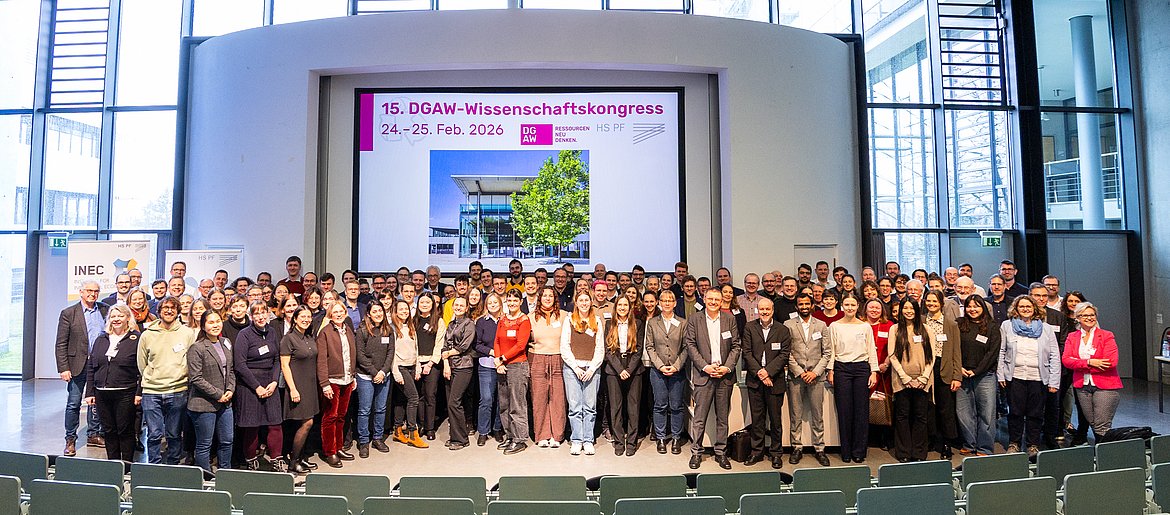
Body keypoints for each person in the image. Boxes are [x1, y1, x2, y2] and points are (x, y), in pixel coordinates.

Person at [685, 289, 741, 470]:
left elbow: (736, 345)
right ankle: (696, 452)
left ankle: (721, 453)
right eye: (710, 299)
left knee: (722, 418)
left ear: (722, 300)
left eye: (717, 299)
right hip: (704, 375)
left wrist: (727, 367)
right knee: (699, 418)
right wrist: (705, 367)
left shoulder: (729, 319)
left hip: (724, 376)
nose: (714, 302)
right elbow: (691, 345)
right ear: (704, 299)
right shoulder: (695, 319)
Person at [998, 295, 1060, 456]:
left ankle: (1033, 445)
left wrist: (1054, 380)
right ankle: (1014, 443)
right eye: (1022, 306)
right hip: (1015, 376)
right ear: (1016, 309)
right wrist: (1001, 375)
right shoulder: (1007, 325)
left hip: (1038, 377)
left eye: (1028, 306)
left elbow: (1054, 355)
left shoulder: (1046, 328)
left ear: (1034, 309)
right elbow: (1002, 351)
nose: (1025, 309)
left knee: (1036, 413)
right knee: (1015, 412)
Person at [137, 296, 195, 464]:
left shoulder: (187, 333)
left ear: (177, 311)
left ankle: (173, 465)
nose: (169, 310)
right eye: (165, 308)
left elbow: (192, 360)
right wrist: (151, 377)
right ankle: (154, 465)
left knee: (174, 434)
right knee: (154, 433)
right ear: (159, 311)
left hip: (177, 390)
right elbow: (142, 363)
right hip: (151, 391)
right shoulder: (147, 335)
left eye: (172, 308)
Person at [83, 304, 141, 462]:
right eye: (113, 316)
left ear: (128, 318)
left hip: (126, 391)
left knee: (125, 430)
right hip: (102, 391)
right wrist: (89, 392)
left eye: (120, 316)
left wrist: (139, 392)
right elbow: (91, 366)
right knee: (108, 430)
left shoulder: (136, 338)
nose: (116, 319)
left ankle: (127, 464)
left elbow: (143, 367)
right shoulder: (101, 339)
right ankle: (113, 463)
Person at [56, 280, 108, 455]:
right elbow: (61, 343)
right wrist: (63, 367)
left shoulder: (105, 310)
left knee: (97, 402)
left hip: (100, 364)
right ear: (81, 292)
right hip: (77, 365)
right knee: (73, 404)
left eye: (96, 291)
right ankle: (70, 439)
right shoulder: (69, 313)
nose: (93, 294)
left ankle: (93, 434)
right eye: (89, 291)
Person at [233, 301, 285, 471]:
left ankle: (277, 459)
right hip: (249, 385)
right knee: (252, 425)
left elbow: (277, 359)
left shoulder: (272, 332)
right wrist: (257, 387)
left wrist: (275, 381)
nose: (261, 316)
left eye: (264, 313)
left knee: (275, 423)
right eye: (257, 313)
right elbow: (240, 365)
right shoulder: (244, 334)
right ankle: (250, 459)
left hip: (270, 382)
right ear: (251, 316)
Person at [827, 296, 879, 463]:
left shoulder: (865, 326)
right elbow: (832, 349)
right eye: (847, 304)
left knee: (861, 411)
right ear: (842, 306)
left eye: (853, 305)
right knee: (844, 411)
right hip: (842, 369)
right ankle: (846, 451)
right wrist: (830, 370)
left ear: (858, 307)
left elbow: (871, 349)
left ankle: (859, 451)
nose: (849, 307)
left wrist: (874, 371)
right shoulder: (834, 326)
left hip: (862, 369)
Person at [741, 298, 791, 468]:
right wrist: (761, 374)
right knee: (757, 420)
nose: (764, 312)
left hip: (775, 381)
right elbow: (746, 353)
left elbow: (784, 355)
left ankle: (776, 453)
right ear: (757, 310)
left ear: (772, 309)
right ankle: (757, 452)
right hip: (755, 381)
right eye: (761, 309)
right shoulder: (749, 327)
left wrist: (768, 372)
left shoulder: (783, 329)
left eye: (767, 309)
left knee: (776, 421)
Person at [1062, 302, 1122, 442]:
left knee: (1102, 425)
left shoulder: (1107, 335)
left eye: (1092, 315)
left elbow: (1110, 362)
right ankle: (1102, 453)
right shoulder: (1072, 337)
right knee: (1094, 424)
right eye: (1085, 315)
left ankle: (1105, 457)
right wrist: (1090, 362)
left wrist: (1078, 363)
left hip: (1105, 386)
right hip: (1082, 386)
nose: (1089, 318)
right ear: (1078, 318)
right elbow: (1066, 360)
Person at [785, 293, 832, 467]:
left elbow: (827, 352)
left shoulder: (821, 325)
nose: (804, 306)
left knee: (817, 415)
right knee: (795, 415)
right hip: (796, 377)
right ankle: (796, 447)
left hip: (817, 377)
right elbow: (786, 352)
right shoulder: (788, 325)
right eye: (800, 304)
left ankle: (819, 448)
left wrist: (816, 372)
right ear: (796, 306)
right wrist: (798, 371)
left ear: (812, 305)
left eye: (807, 303)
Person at [187, 311, 235, 473]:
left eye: (218, 321)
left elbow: (231, 370)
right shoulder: (197, 347)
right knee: (204, 444)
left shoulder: (226, 342)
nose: (215, 325)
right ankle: (206, 477)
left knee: (227, 440)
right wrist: (218, 394)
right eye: (210, 322)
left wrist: (230, 390)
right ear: (203, 326)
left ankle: (225, 473)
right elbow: (196, 378)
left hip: (226, 402)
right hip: (204, 403)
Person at [955, 294, 1001, 456]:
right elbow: (953, 348)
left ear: (983, 308)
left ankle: (984, 447)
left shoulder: (992, 327)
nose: (972, 309)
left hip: (985, 375)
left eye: (977, 306)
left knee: (987, 413)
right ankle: (969, 444)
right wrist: (959, 368)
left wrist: (976, 371)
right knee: (964, 413)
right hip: (962, 374)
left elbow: (992, 353)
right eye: (969, 306)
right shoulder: (959, 324)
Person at [561, 290, 605, 456]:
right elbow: (564, 346)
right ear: (576, 302)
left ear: (591, 301)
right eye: (581, 300)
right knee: (574, 407)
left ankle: (588, 439)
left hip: (592, 370)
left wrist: (592, 368)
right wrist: (576, 367)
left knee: (590, 407)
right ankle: (577, 440)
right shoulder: (569, 320)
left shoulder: (597, 322)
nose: (584, 303)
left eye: (587, 300)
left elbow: (600, 348)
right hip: (573, 370)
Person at [889, 298, 933, 462]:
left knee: (921, 416)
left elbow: (931, 356)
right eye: (905, 308)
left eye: (911, 308)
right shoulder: (895, 329)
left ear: (916, 310)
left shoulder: (926, 329)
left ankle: (919, 453)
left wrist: (924, 377)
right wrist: (904, 377)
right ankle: (904, 453)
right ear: (901, 310)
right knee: (902, 416)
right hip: (902, 381)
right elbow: (892, 356)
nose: (908, 311)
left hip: (922, 381)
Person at [317, 302, 360, 467]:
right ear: (330, 314)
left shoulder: (348, 329)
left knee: (342, 416)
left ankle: (339, 446)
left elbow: (351, 355)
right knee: (330, 417)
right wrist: (325, 384)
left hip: (348, 379)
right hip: (332, 381)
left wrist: (353, 376)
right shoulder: (325, 332)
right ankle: (330, 451)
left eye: (341, 311)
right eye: (335, 312)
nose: (339, 314)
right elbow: (321, 361)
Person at [921, 289, 963, 459]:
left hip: (943, 368)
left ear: (941, 304)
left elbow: (956, 352)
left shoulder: (951, 325)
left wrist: (957, 376)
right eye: (928, 301)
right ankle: (931, 439)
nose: (931, 304)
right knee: (928, 407)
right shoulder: (921, 321)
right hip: (925, 368)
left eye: (934, 302)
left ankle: (947, 443)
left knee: (946, 409)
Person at [645, 290, 687, 454]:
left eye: (670, 300)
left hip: (677, 370)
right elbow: (649, 346)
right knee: (660, 405)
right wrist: (660, 365)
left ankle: (676, 437)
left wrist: (676, 365)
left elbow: (686, 347)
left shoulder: (682, 323)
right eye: (664, 300)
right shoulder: (653, 323)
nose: (667, 303)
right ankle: (661, 438)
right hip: (658, 371)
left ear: (675, 303)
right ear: (659, 303)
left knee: (676, 406)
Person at [280, 306, 319, 474]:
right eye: (302, 316)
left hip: (310, 386)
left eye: (308, 316)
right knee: (306, 422)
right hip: (297, 386)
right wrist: (293, 389)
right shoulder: (288, 339)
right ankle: (293, 462)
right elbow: (284, 366)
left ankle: (301, 458)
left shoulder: (309, 336)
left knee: (308, 422)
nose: (306, 319)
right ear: (295, 318)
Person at [604, 295, 645, 456]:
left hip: (634, 369)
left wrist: (628, 369)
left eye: (625, 305)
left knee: (633, 408)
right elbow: (608, 350)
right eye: (619, 305)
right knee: (616, 408)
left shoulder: (638, 324)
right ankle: (619, 441)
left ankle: (632, 443)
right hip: (614, 369)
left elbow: (639, 349)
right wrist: (620, 369)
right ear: (615, 307)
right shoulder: (609, 324)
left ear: (630, 307)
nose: (622, 307)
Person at [529, 286, 569, 448]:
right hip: (537, 358)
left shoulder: (565, 316)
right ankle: (542, 435)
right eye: (544, 295)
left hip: (559, 358)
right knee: (539, 399)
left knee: (558, 398)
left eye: (550, 296)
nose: (547, 298)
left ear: (555, 298)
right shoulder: (530, 317)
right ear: (540, 298)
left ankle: (557, 435)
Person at [354, 301, 394, 458]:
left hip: (384, 376)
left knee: (381, 408)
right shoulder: (362, 330)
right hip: (365, 376)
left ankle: (377, 438)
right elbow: (360, 355)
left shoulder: (388, 330)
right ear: (368, 314)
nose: (378, 313)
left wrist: (383, 372)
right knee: (364, 410)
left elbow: (391, 352)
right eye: (375, 311)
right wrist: (374, 372)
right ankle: (364, 441)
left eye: (380, 311)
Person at [495, 290, 532, 455]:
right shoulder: (502, 319)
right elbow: (496, 340)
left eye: (514, 300)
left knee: (517, 405)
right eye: (509, 300)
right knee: (504, 404)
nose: (511, 303)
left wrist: (502, 357)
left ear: (520, 301)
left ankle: (519, 439)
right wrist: (498, 360)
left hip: (517, 366)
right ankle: (509, 436)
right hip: (501, 366)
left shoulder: (524, 320)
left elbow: (520, 345)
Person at [388, 299, 427, 449]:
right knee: (414, 398)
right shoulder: (392, 329)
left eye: (406, 309)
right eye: (401, 309)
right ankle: (412, 433)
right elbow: (391, 353)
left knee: (401, 400)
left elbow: (416, 348)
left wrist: (417, 367)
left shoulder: (410, 326)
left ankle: (397, 431)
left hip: (412, 366)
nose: (404, 311)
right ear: (395, 312)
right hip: (400, 368)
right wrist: (395, 372)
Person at [441, 296, 476, 450]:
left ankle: (461, 439)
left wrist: (448, 354)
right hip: (451, 366)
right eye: (456, 305)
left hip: (464, 366)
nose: (459, 307)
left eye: (462, 305)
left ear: (467, 307)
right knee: (451, 403)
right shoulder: (451, 324)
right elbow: (444, 346)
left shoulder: (469, 324)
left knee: (455, 402)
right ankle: (455, 436)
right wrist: (446, 364)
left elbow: (464, 347)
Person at [414, 294, 446, 440]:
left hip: (432, 364)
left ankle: (430, 428)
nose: (425, 304)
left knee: (430, 396)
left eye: (428, 302)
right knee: (419, 396)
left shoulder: (438, 321)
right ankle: (421, 425)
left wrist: (430, 363)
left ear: (433, 304)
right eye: (422, 302)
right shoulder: (412, 320)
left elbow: (439, 344)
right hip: (415, 363)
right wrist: (417, 364)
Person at [474, 294, 505, 446]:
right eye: (490, 302)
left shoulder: (506, 320)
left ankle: (497, 428)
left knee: (501, 399)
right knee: (486, 399)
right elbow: (477, 344)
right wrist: (493, 352)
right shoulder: (481, 322)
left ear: (500, 304)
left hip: (505, 364)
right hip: (486, 364)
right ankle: (483, 431)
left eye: (495, 302)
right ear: (486, 305)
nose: (493, 305)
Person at [864, 299, 895, 450]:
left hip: (884, 372)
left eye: (877, 308)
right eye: (871, 307)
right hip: (865, 371)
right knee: (866, 404)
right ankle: (869, 438)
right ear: (865, 309)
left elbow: (893, 347)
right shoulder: (860, 325)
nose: (874, 310)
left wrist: (886, 364)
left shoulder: (889, 325)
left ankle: (885, 439)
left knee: (884, 404)